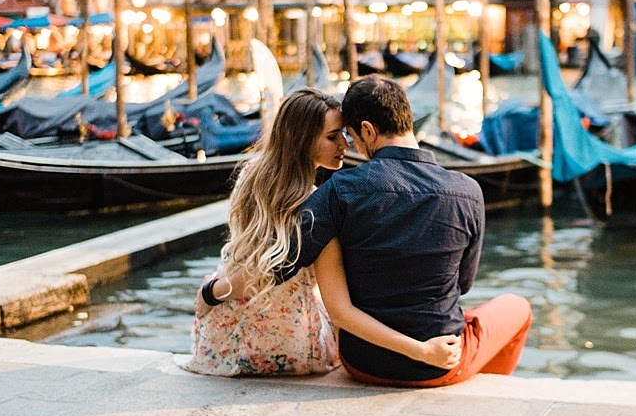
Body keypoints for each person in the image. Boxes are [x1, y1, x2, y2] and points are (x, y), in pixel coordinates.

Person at [199, 75, 532, 387]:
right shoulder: (469, 191)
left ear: (368, 131)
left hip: (363, 362)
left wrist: (213, 292)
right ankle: (488, 389)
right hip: (439, 362)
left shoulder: (338, 190)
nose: (349, 145)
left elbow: (281, 263)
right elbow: (463, 284)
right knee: (517, 306)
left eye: (351, 136)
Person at [181, 87, 460, 377]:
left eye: (344, 135)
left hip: (226, 338)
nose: (344, 145)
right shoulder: (319, 202)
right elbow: (281, 277)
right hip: (295, 345)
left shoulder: (251, 174)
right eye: (332, 136)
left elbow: (250, 264)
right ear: (302, 140)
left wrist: (210, 292)